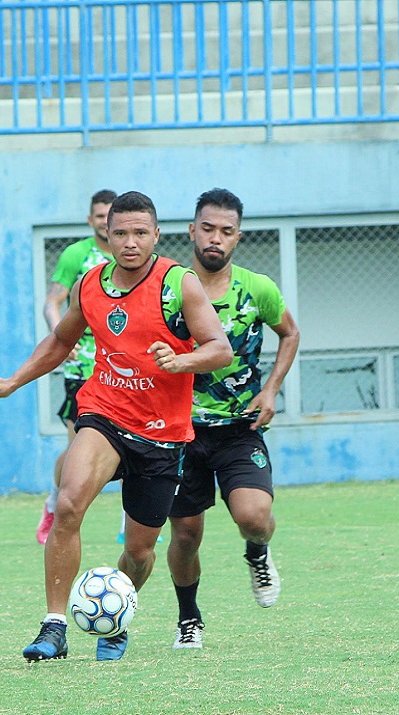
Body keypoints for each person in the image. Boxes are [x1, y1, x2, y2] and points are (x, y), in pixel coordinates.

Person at [0, 190, 232, 662]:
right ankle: (53, 627)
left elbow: (220, 349)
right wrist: (13, 381)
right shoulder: (90, 283)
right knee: (70, 502)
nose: (130, 242)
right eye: (120, 233)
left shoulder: (180, 284)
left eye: (140, 233)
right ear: (105, 235)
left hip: (161, 433)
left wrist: (181, 361)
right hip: (104, 413)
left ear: (156, 235)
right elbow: (60, 340)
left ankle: (115, 616)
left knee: (138, 552)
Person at [167, 188, 300, 650]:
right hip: (180, 432)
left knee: (255, 516)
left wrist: (271, 390)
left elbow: (290, 333)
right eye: (207, 228)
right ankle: (189, 619)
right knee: (186, 533)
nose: (215, 239)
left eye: (226, 231)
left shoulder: (257, 288)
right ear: (191, 230)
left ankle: (258, 553)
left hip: (240, 429)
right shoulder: (169, 287)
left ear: (238, 237)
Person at [36, 189, 116, 545]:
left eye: (110, 214)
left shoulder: (136, 256)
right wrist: (60, 336)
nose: (105, 221)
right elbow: (52, 301)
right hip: (82, 368)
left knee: (139, 443)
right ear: (91, 220)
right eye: (99, 215)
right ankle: (55, 506)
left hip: (126, 370)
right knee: (77, 450)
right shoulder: (76, 255)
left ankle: (134, 526)